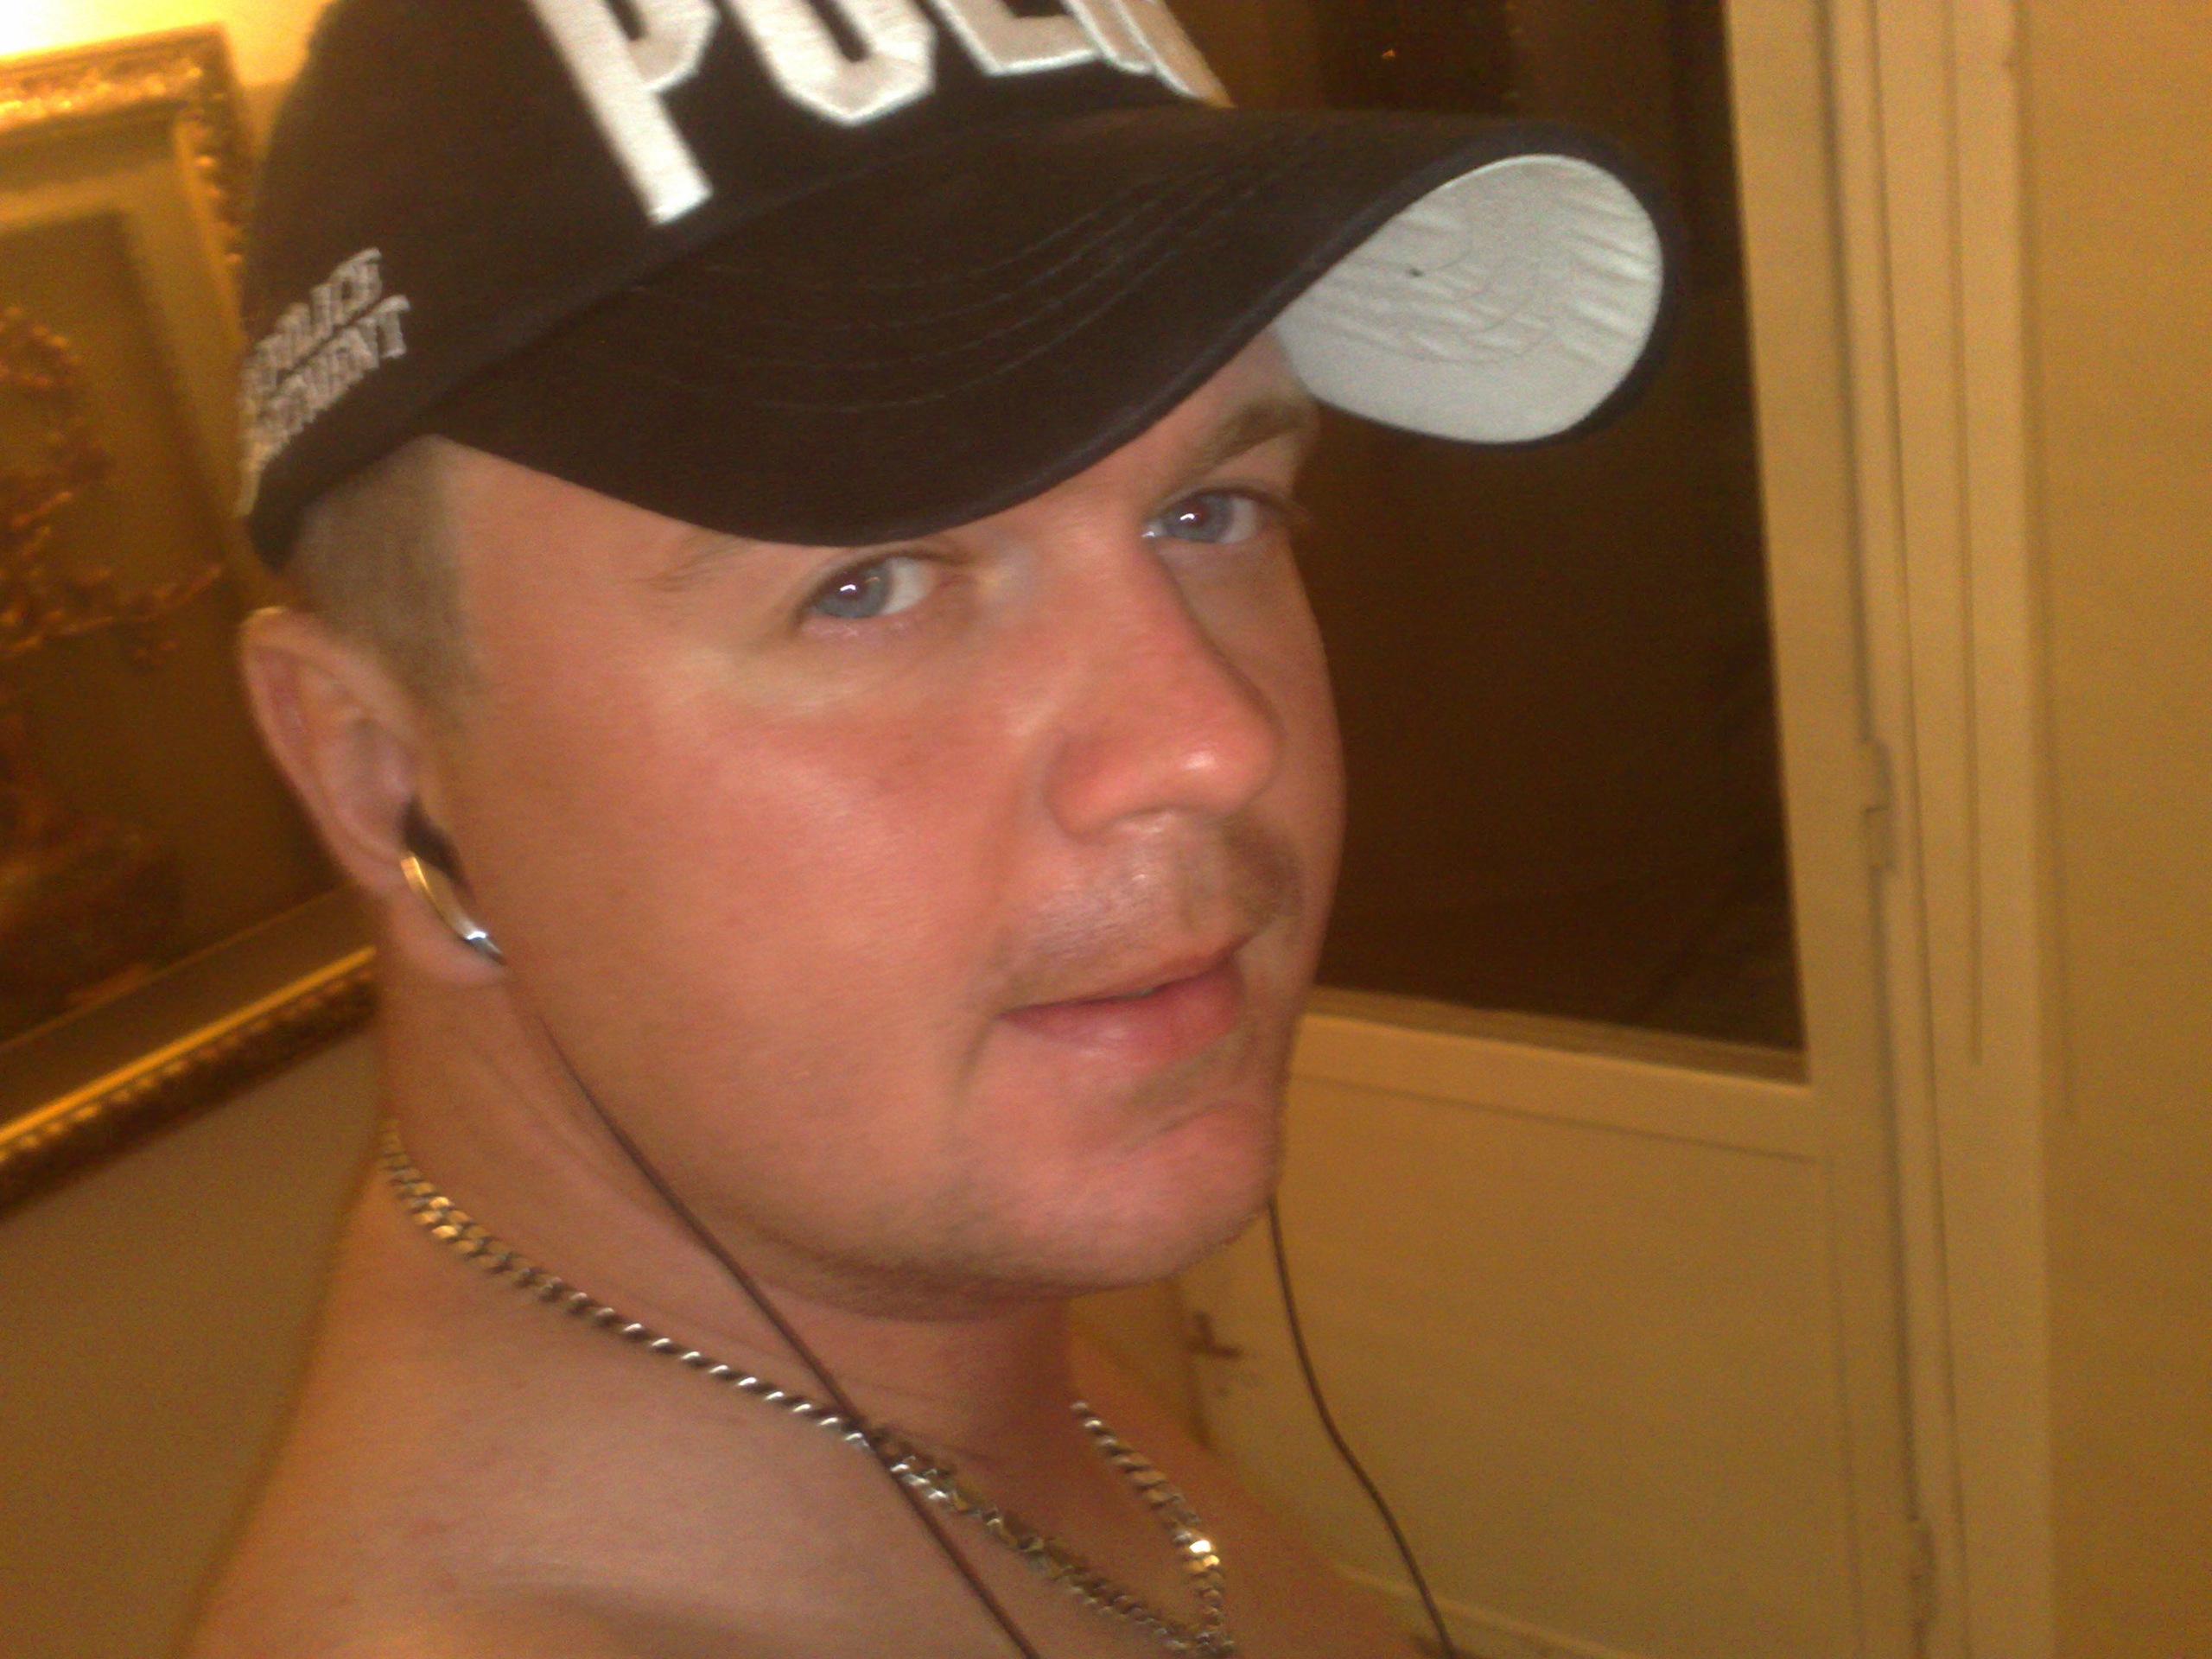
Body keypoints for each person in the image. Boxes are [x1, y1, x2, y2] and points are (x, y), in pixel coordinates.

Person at [188, 1, 1669, 1654]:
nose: (1211, 743)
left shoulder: (934, 1360)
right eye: (868, 586)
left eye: (1209, 510)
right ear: (378, 776)